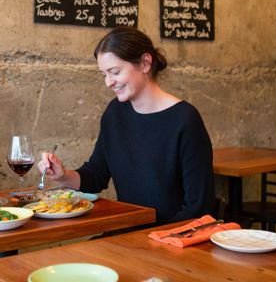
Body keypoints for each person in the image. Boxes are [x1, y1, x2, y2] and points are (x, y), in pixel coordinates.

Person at [39, 27, 215, 225]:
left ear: (145, 63)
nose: (108, 82)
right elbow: (95, 176)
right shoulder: (115, 113)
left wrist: (156, 240)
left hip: (172, 240)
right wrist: (63, 176)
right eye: (104, 74)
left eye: (114, 72)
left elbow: (199, 208)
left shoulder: (185, 120)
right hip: (128, 232)